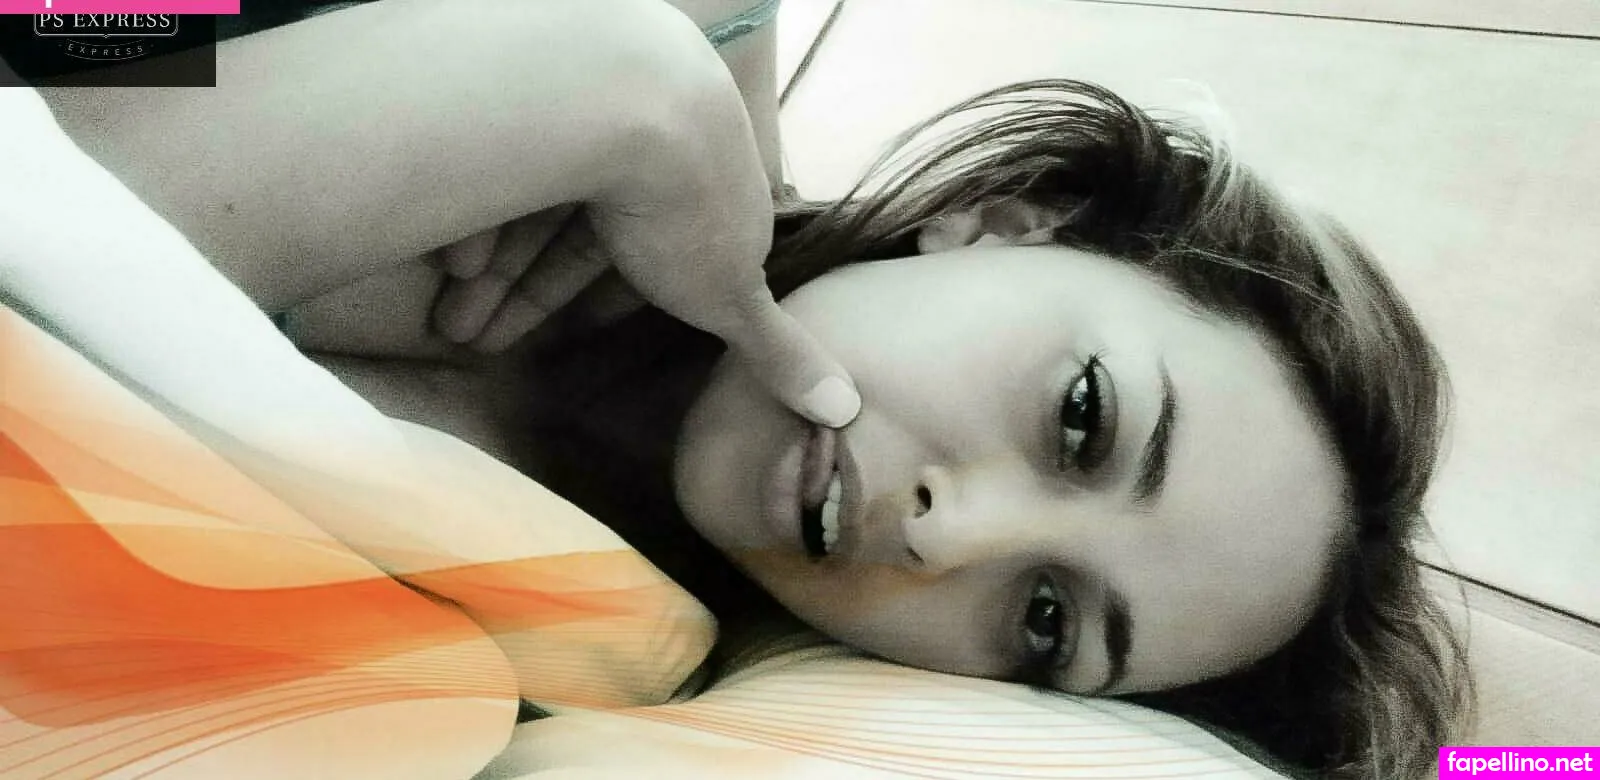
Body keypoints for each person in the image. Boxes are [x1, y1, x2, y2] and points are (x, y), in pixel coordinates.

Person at [14, 3, 1471, 780]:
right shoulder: (697, 16)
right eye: (1080, 420)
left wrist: (590, 83)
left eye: (1044, 622)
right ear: (1007, 221)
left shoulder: (577, 649)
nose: (946, 535)